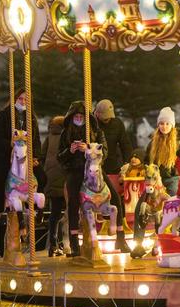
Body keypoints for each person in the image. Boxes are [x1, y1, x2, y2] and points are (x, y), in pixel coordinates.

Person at [56, 101, 107, 257]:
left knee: (114, 197)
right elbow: (59, 157)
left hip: (93, 169)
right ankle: (74, 243)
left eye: (81, 116)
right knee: (72, 202)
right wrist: (69, 151)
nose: (79, 118)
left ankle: (118, 233)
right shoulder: (66, 133)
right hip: (75, 170)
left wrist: (89, 150)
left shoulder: (96, 132)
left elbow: (104, 150)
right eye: (76, 116)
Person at [0, 89, 40, 224]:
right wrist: (10, 143)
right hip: (7, 154)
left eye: (25, 99)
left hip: (25, 156)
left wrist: (35, 156)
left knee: (43, 177)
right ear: (15, 99)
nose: (23, 102)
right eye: (20, 99)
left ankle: (33, 206)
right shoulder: (3, 116)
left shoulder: (31, 118)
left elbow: (36, 139)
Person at [95, 99, 134, 233]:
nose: (107, 121)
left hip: (113, 163)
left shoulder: (117, 124)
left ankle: (119, 223)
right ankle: (103, 224)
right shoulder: (93, 125)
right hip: (98, 165)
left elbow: (125, 143)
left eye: (109, 118)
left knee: (118, 195)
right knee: (102, 195)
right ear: (98, 115)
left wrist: (128, 162)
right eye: (105, 119)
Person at [40, 115, 67, 256]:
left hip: (51, 178)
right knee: (68, 213)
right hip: (64, 178)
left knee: (55, 214)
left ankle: (53, 243)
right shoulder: (67, 136)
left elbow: (42, 155)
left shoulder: (49, 137)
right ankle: (65, 243)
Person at [146, 107, 179, 195]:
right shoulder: (153, 143)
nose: (164, 126)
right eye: (161, 123)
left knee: (173, 192)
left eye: (167, 123)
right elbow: (146, 160)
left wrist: (176, 173)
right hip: (156, 178)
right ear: (158, 125)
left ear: (172, 125)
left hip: (172, 178)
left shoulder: (177, 144)